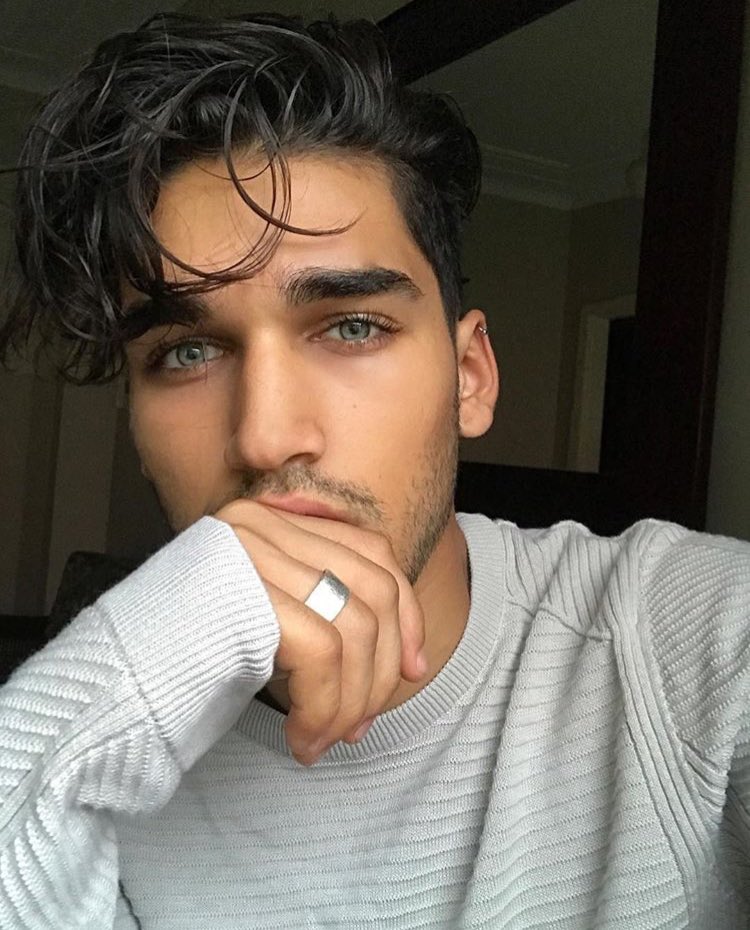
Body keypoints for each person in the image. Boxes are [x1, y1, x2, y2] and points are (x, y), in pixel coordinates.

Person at [0, 11, 748, 930]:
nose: (267, 438)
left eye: (352, 327)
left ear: (468, 378)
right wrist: (100, 697)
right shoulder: (104, 762)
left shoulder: (688, 638)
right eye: (186, 353)